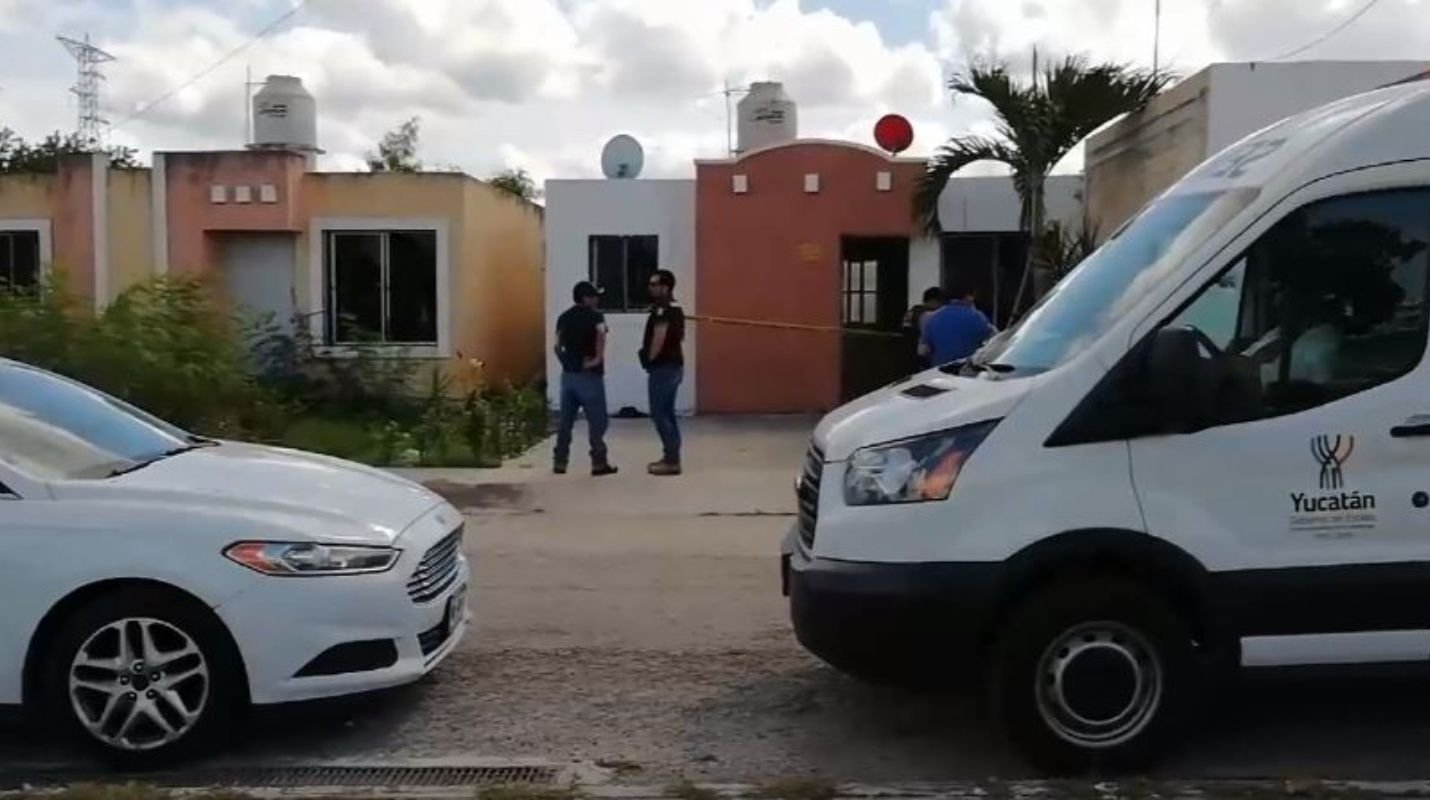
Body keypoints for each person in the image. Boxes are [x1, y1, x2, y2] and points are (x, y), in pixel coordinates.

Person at [553, 281, 617, 476]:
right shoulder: (596, 316)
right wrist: (596, 359)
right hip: (589, 376)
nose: (597, 299)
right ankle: (599, 462)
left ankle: (560, 461)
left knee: (565, 422)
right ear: (586, 298)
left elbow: (557, 344)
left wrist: (565, 362)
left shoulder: (563, 317)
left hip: (568, 377)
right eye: (594, 296)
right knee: (598, 421)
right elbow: (601, 335)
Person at [640, 269, 686, 476]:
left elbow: (659, 337)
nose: (650, 288)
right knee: (668, 414)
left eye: (654, 284)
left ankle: (671, 460)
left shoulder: (663, 310)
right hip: (674, 367)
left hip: (663, 368)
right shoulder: (675, 309)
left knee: (659, 414)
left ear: (665, 287)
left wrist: (649, 359)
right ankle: (671, 457)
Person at [920, 281, 996, 366]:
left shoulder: (933, 318)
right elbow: (995, 342)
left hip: (941, 370)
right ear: (969, 297)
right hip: (968, 369)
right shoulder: (978, 316)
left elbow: (923, 351)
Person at [904, 287, 946, 370]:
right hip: (930, 355)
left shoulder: (913, 311)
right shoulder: (938, 314)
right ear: (935, 300)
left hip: (911, 354)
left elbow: (905, 329)